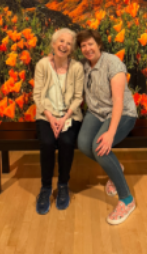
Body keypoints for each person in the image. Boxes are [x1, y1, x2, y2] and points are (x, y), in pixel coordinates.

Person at [76, 29, 138, 225]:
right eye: (83, 45)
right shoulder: (84, 66)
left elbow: (118, 101)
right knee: (84, 143)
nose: (87, 48)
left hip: (122, 113)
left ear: (99, 44)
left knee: (100, 148)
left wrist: (111, 133)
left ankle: (127, 199)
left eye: (90, 44)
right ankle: (115, 167)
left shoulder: (112, 63)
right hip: (96, 112)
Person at [33, 28, 84, 215]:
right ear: (54, 44)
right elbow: (37, 94)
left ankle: (63, 184)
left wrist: (64, 118)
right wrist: (51, 117)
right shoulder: (43, 65)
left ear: (72, 49)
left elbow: (78, 97)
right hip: (46, 115)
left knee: (66, 141)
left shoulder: (77, 67)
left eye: (69, 43)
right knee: (47, 143)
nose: (64, 45)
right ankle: (45, 188)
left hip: (69, 115)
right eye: (61, 41)